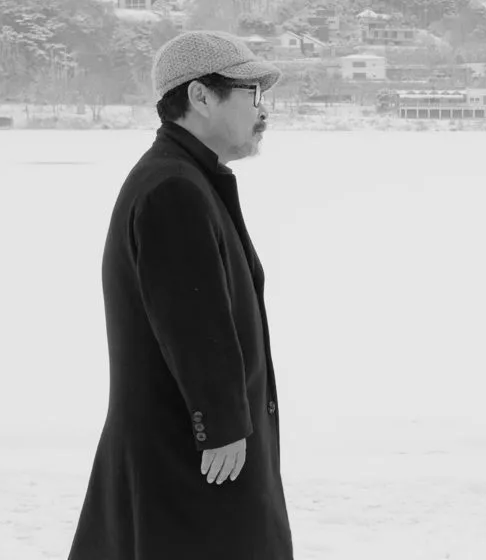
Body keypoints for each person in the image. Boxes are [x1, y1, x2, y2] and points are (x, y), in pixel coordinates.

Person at [68, 31, 293, 560]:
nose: (264, 110)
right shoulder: (174, 188)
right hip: (191, 461)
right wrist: (222, 425)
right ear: (200, 95)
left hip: (188, 453)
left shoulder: (187, 178)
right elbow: (191, 319)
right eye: (252, 94)